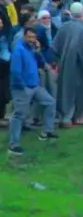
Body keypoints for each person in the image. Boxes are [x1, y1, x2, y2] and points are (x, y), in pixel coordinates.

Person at [8, 27, 58, 155]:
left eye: (33, 37)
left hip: (34, 86)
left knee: (50, 102)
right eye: (29, 37)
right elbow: (15, 71)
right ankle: (13, 145)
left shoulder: (32, 49)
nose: (31, 40)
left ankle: (47, 132)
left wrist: (38, 51)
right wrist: (23, 87)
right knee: (19, 114)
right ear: (24, 36)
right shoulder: (18, 50)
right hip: (22, 88)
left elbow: (41, 62)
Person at [51, 2, 83, 127]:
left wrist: (56, 62)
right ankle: (71, 117)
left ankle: (65, 117)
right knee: (77, 92)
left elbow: (55, 47)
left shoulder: (64, 26)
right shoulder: (81, 29)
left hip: (63, 63)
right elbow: (82, 50)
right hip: (76, 65)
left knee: (64, 90)